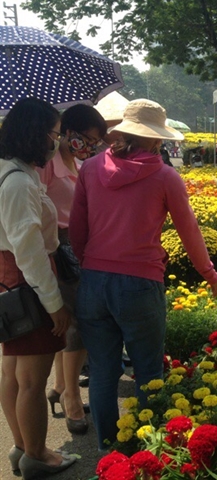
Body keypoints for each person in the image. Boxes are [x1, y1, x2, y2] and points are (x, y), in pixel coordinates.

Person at [68, 99, 217, 450]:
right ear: (156, 139)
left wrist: (93, 265)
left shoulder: (89, 169)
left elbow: (77, 229)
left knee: (102, 371)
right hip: (140, 285)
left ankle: (107, 447)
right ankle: (149, 449)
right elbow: (188, 230)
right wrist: (210, 275)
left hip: (94, 281)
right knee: (147, 371)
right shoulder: (164, 176)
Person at [0, 98, 76, 478]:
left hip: (10, 279)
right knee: (31, 379)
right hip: (26, 283)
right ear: (36, 134)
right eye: (54, 134)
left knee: (12, 372)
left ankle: (21, 447)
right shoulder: (16, 182)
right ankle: (37, 455)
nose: (56, 142)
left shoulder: (14, 172)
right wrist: (55, 304)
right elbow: (29, 250)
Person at [37, 104, 107, 436]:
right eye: (88, 139)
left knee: (76, 319)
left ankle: (59, 386)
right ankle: (71, 398)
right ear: (69, 132)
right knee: (77, 323)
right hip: (58, 248)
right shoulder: (48, 164)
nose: (91, 146)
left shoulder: (77, 162)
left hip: (79, 247)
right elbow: (38, 207)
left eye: (96, 142)